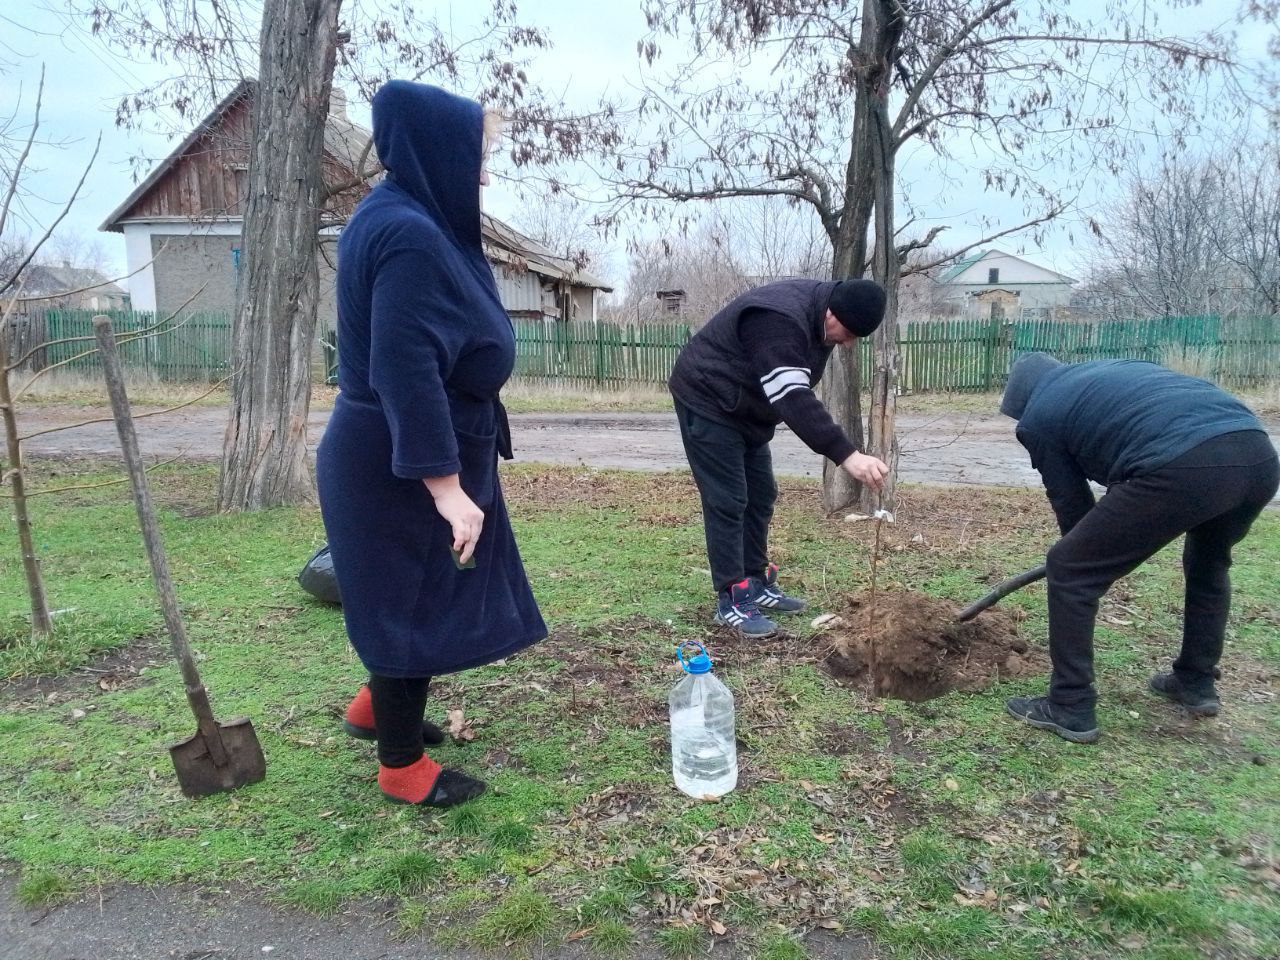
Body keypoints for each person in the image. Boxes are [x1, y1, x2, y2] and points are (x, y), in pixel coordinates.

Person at [317, 81, 546, 807]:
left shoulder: (403, 217)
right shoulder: (410, 233)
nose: (482, 170)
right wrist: (443, 487)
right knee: (409, 600)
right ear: (437, 147)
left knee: (417, 593)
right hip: (398, 460)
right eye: (476, 153)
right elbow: (404, 367)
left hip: (414, 447)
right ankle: (401, 767)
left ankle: (371, 708)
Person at [1000, 353, 1279, 743]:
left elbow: (1071, 504)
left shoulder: (1039, 417)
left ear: (1021, 401)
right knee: (1209, 565)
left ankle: (1070, 704)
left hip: (1184, 461)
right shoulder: (1104, 373)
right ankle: (1195, 681)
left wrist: (1084, 563)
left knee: (1068, 568)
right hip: (1257, 454)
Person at [668, 277, 891, 637]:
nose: (848, 342)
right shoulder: (778, 319)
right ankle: (732, 597)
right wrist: (847, 455)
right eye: (848, 331)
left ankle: (756, 580)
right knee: (727, 499)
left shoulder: (820, 316)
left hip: (746, 408)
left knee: (761, 493)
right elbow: (792, 396)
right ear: (832, 311)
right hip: (708, 398)